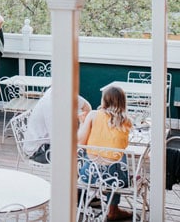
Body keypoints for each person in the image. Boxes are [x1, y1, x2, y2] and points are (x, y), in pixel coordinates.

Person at [77, 86, 133, 221]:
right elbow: (123, 145)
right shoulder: (126, 121)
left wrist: (82, 123)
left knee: (107, 160)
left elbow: (80, 142)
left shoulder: (93, 115)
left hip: (90, 173)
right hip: (115, 178)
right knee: (119, 159)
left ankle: (104, 207)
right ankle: (113, 210)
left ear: (104, 101)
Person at [23, 88, 92, 163]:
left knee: (88, 150)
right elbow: (58, 140)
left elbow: (86, 106)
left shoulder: (66, 92)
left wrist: (86, 126)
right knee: (82, 155)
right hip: (39, 150)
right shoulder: (50, 103)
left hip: (52, 143)